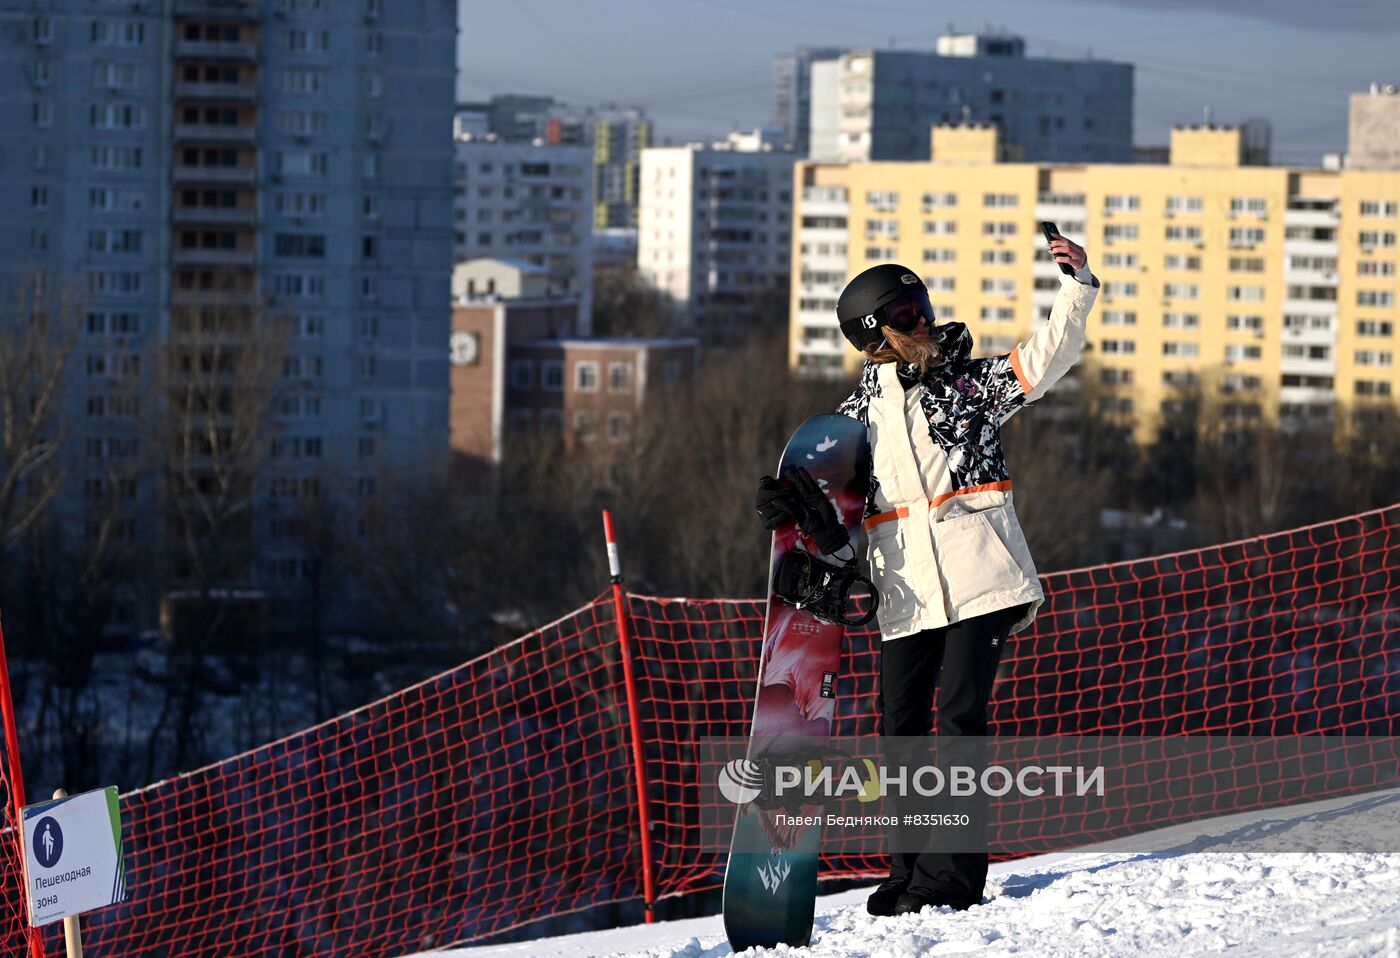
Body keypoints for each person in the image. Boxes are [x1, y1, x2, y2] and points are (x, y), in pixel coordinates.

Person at [757, 231, 1099, 916]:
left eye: (922, 308)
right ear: (874, 335)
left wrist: (1076, 285)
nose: (923, 322)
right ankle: (909, 870)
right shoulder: (853, 423)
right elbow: (839, 518)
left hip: (985, 577)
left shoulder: (973, 387)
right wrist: (801, 515)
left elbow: (1048, 355)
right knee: (901, 726)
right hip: (906, 591)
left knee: (958, 718)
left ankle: (951, 878)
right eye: (906, 316)